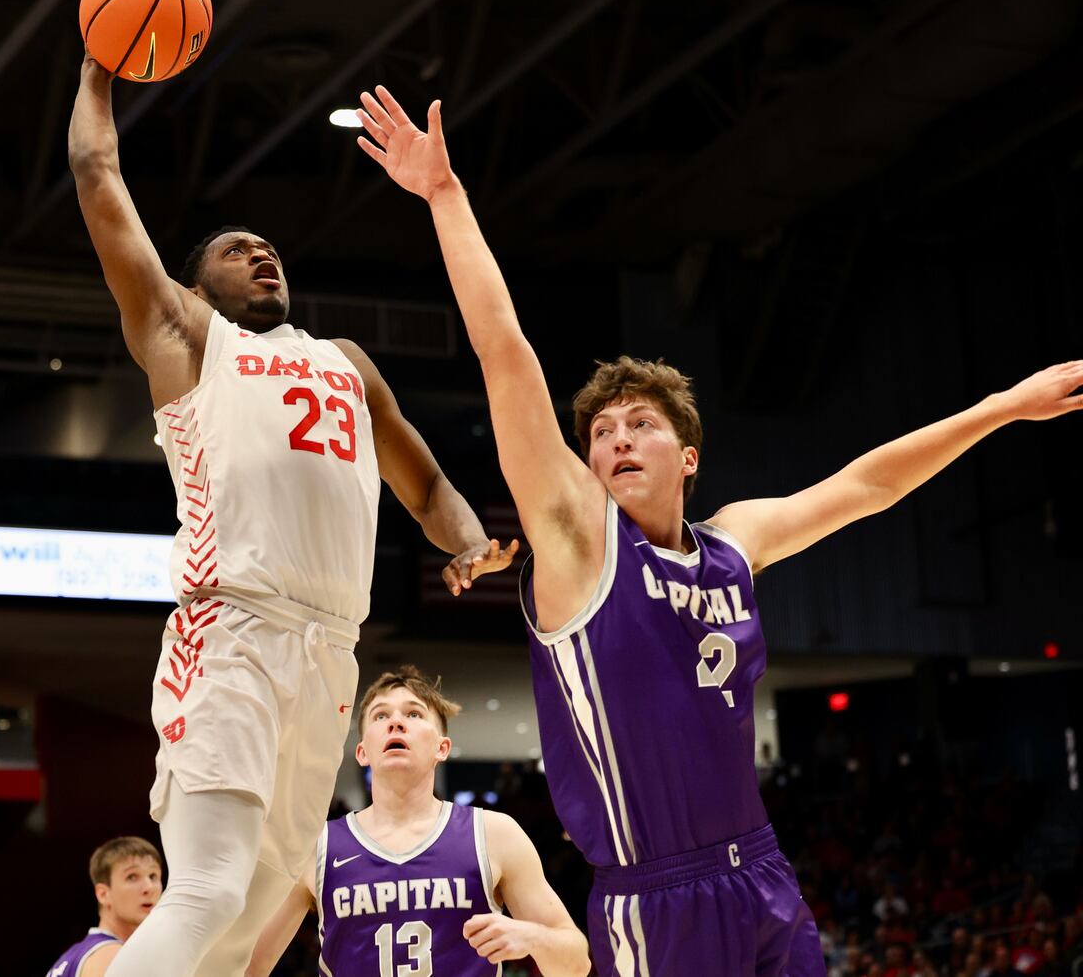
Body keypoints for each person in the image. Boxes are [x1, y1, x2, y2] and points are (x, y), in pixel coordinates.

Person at [351, 81, 1083, 977]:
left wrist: (1003, 407)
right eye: (602, 433)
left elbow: (868, 483)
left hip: (763, 876)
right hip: (653, 896)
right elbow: (504, 348)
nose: (618, 438)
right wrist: (446, 196)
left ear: (687, 455)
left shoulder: (735, 539)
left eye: (641, 425)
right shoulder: (581, 543)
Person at [67, 56, 518, 977]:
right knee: (210, 885)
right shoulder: (190, 336)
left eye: (269, 246)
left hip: (328, 654)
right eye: (236, 249)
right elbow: (96, 175)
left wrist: (467, 541)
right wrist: (98, 72)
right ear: (196, 286)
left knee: (260, 914)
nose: (261, 254)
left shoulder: (345, 360)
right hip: (229, 626)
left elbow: (427, 486)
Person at [246, 666, 588, 977]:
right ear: (362, 751)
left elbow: (576, 963)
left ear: (442, 747)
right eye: (380, 716)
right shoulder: (315, 844)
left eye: (413, 713)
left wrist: (534, 937)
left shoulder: (494, 834)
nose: (396, 722)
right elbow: (247, 965)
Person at [47, 837, 166, 977]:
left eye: (153, 876)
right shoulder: (110, 954)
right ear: (103, 894)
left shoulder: (72, 956)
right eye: (132, 877)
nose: (149, 887)